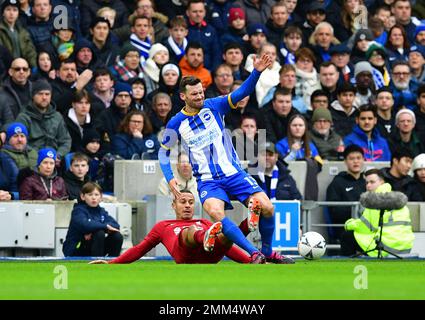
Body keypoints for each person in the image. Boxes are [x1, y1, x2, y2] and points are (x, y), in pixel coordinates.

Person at [159, 53, 294, 264]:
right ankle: (254, 252)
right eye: (194, 94)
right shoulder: (176, 123)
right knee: (216, 213)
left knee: (268, 208)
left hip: (234, 173)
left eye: (201, 92)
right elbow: (163, 153)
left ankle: (267, 250)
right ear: (183, 97)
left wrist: (256, 72)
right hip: (207, 180)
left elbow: (242, 92)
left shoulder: (214, 105)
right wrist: (170, 179)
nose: (199, 97)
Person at [89, 189, 252, 264]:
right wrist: (113, 263)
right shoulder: (163, 226)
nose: (187, 206)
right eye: (183, 202)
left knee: (226, 236)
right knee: (189, 231)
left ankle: (249, 223)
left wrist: (249, 261)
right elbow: (140, 249)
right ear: (173, 205)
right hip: (186, 255)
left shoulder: (204, 223)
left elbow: (228, 249)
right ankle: (208, 237)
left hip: (210, 256)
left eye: (190, 202)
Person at [340, 168, 414, 257]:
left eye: (372, 182)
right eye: (367, 182)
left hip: (386, 247)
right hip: (405, 247)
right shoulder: (396, 198)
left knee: (347, 236)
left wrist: (349, 224)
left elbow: (366, 227)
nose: (368, 186)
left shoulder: (376, 200)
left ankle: (348, 266)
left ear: (382, 182)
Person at [63, 181, 123, 257]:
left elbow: (115, 226)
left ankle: (113, 263)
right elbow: (85, 225)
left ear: (101, 197)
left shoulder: (101, 211)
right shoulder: (78, 210)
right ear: (83, 196)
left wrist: (95, 228)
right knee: (99, 233)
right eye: (90, 195)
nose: (94, 197)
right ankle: (97, 264)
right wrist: (104, 227)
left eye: (96, 195)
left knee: (117, 236)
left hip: (94, 246)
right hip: (76, 249)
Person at [15, 79, 72, 160]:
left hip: (54, 160)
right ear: (33, 96)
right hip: (32, 160)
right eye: (40, 94)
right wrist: (39, 156)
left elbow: (66, 141)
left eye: (47, 94)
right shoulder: (24, 117)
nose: (44, 97)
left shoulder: (57, 116)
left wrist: (58, 155)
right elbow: (20, 142)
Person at [326, 145, 366, 245]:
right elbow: (334, 210)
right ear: (345, 161)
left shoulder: (368, 182)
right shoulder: (337, 183)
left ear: (363, 160)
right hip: (346, 229)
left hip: (368, 228)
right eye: (352, 158)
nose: (356, 161)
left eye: (358, 158)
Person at [0, 122, 37, 192]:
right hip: (16, 193)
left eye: (22, 136)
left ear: (26, 139)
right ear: (9, 139)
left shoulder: (34, 153)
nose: (19, 139)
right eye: (15, 136)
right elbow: (12, 181)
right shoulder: (4, 154)